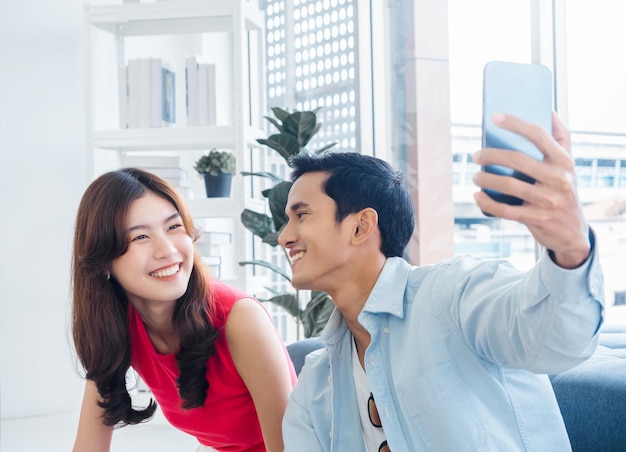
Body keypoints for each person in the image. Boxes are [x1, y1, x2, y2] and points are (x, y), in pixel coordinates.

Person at [279, 113, 604, 451]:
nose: (284, 237)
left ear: (361, 226)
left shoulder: (455, 294)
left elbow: (556, 340)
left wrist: (571, 250)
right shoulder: (315, 383)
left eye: (301, 215)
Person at [71, 168, 297, 452]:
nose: (167, 250)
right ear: (103, 261)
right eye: (140, 237)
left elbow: (292, 446)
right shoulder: (118, 326)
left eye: (173, 227)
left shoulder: (240, 318)